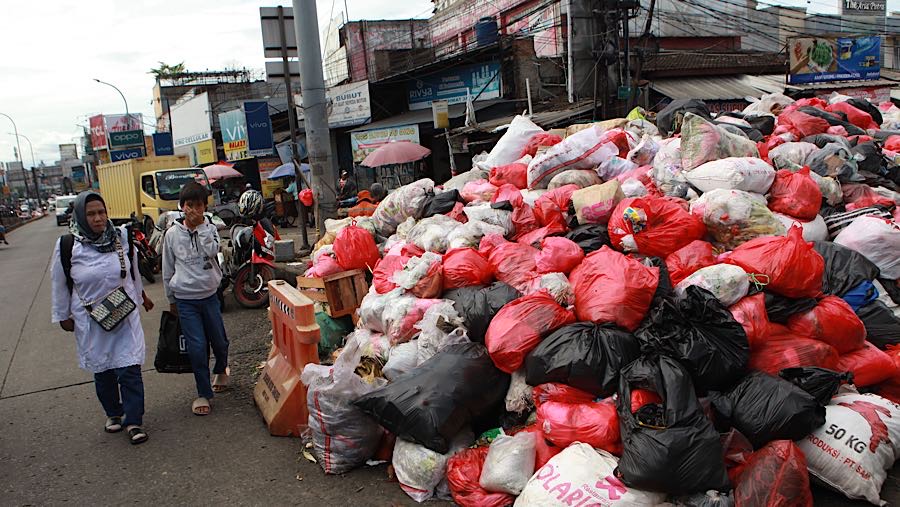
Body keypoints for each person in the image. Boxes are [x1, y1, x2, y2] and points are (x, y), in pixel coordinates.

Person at [50, 191, 153, 445]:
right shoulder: (67, 246)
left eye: (101, 212)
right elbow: (59, 283)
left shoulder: (122, 237)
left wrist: (141, 296)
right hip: (91, 320)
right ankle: (113, 412)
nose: (98, 218)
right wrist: (62, 315)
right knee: (103, 369)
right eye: (91, 214)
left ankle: (134, 420)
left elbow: (132, 271)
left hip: (123, 313)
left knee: (129, 368)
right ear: (81, 217)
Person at [162, 181, 229, 416]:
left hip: (210, 295)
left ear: (205, 207)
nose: (194, 210)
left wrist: (200, 226)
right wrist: (171, 299)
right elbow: (167, 269)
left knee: (219, 341)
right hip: (185, 299)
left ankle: (221, 367)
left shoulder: (209, 228)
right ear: (181, 207)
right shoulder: (171, 235)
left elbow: (212, 252)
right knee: (197, 347)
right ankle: (203, 393)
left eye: (198, 205)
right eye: (189, 205)